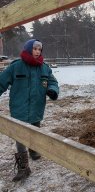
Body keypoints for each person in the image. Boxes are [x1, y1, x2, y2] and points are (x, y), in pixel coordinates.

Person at [0, 39, 59, 182]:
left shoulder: (44, 68)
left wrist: (52, 90)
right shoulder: (16, 67)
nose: (38, 52)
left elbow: (52, 81)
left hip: (37, 107)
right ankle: (23, 166)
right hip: (19, 108)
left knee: (35, 130)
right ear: (28, 49)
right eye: (35, 49)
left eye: (40, 49)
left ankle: (33, 149)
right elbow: (1, 82)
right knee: (20, 135)